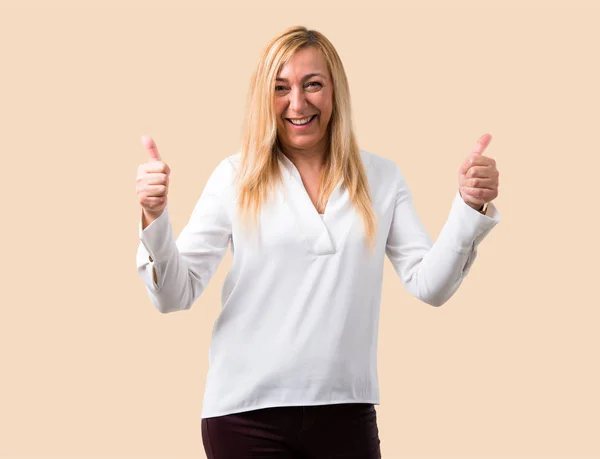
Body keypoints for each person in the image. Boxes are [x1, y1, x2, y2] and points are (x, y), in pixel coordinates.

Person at [135, 25, 501, 459]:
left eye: (313, 85)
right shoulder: (234, 177)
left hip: (346, 409)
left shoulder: (382, 178)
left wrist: (468, 206)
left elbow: (430, 285)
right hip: (243, 415)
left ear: (335, 91)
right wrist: (154, 217)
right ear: (263, 97)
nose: (298, 103)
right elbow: (175, 295)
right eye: (281, 87)